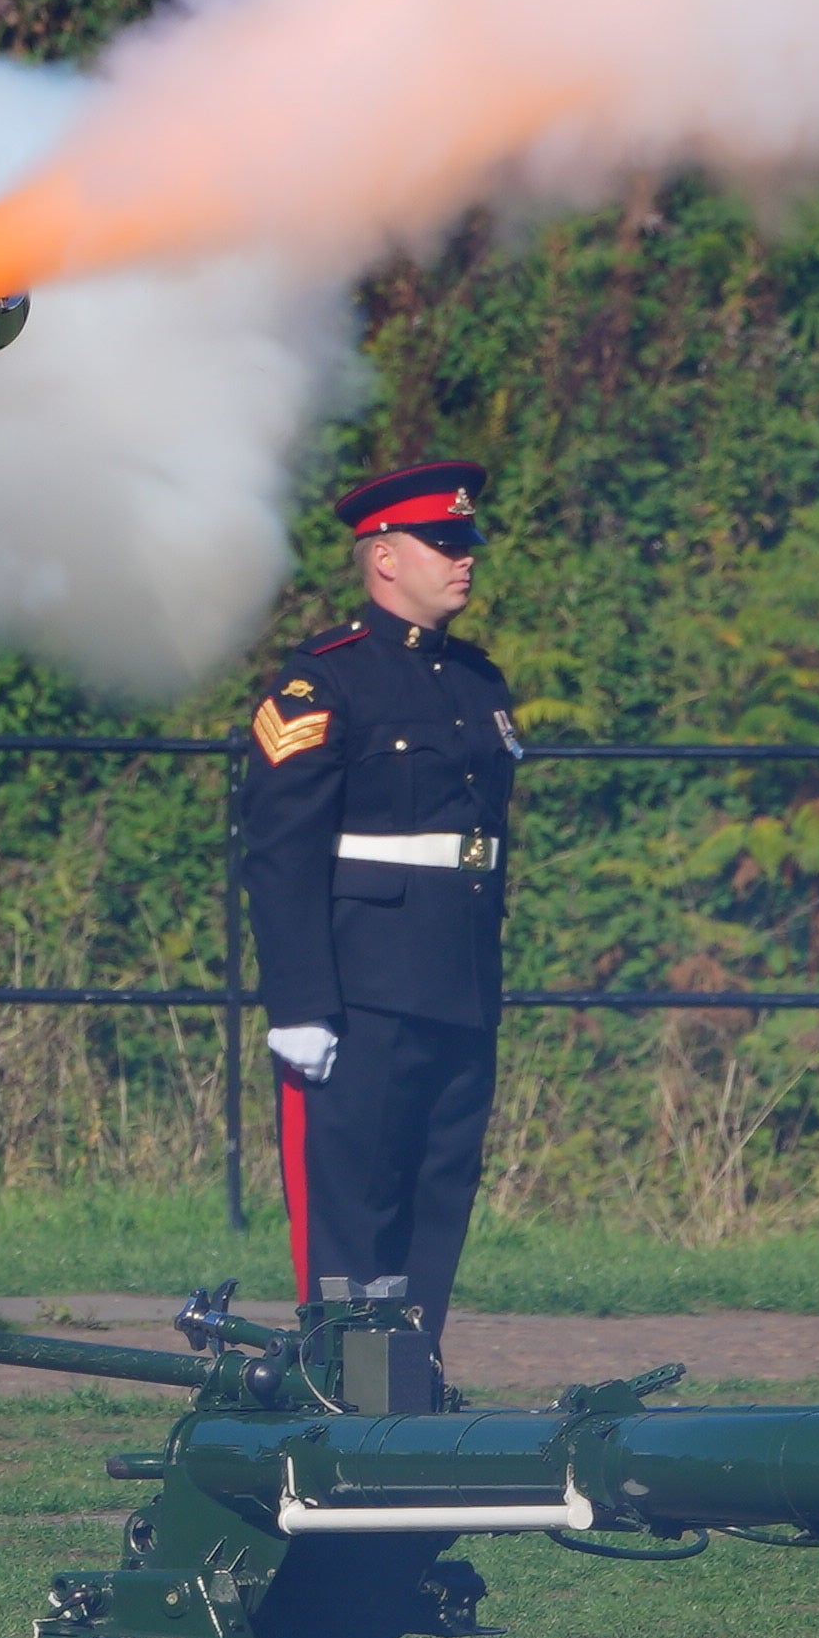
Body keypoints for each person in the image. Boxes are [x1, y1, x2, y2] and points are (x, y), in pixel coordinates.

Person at [238, 458, 525, 1351]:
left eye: (465, 544)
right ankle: (347, 1382)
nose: (463, 561)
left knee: (439, 1191)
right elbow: (280, 854)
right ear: (384, 557)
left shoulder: (478, 682)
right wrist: (299, 1004)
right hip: (361, 988)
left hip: (459, 978)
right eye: (443, 545)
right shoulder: (324, 682)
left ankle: (409, 1376)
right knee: (355, 1198)